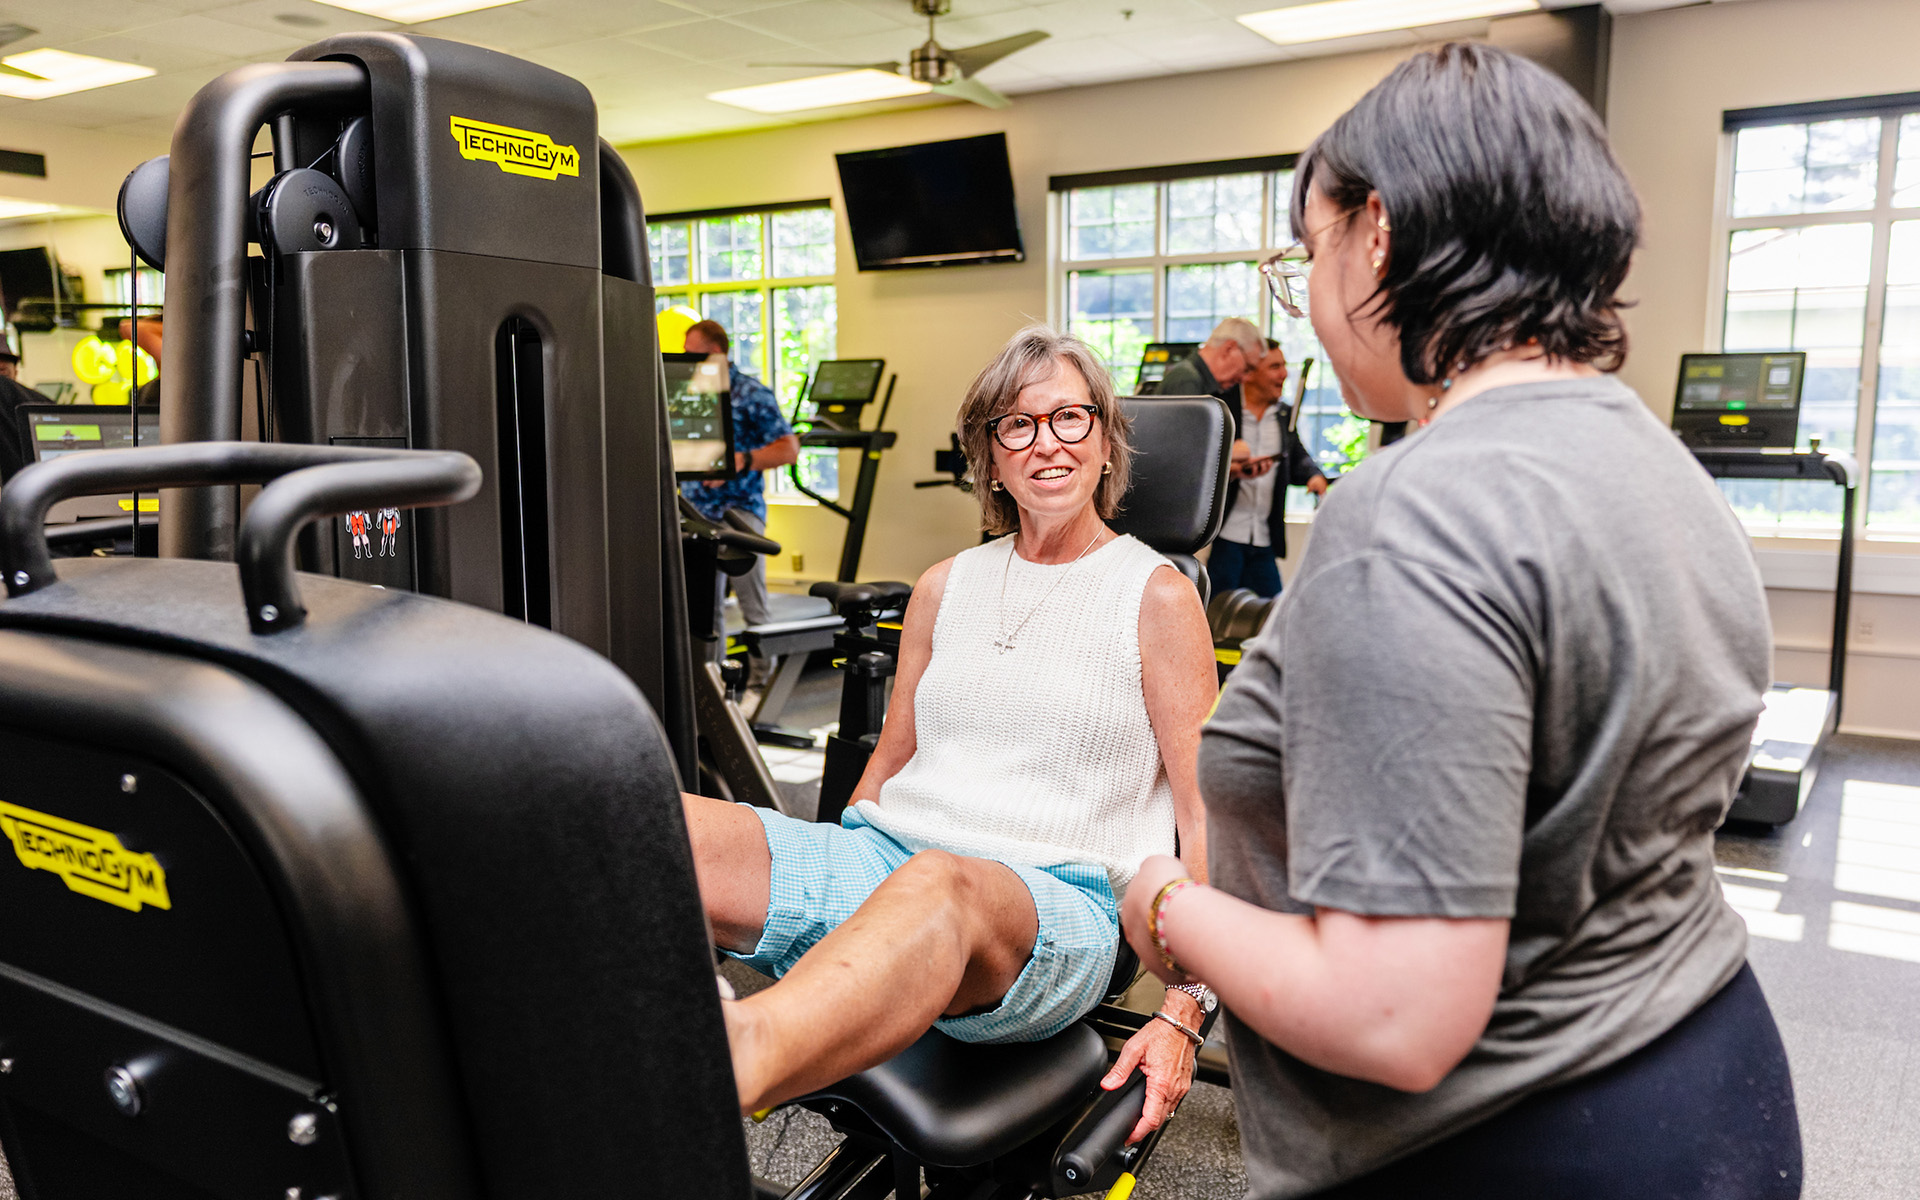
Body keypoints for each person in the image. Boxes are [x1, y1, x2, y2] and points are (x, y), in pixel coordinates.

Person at [1120, 43, 1801, 1199]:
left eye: (1311, 252)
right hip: (1702, 1073)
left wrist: (1166, 902)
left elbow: (1393, 1015)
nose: (1310, 301)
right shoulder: (1656, 465)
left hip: (1506, 1141)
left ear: (1377, 234)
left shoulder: (1416, 511)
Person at [685, 326, 1218, 1140]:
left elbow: (1209, 815)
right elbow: (891, 756)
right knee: (660, 825)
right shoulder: (943, 586)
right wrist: (838, 875)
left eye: (1070, 418)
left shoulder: (1156, 595)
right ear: (991, 458)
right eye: (1018, 424)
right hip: (893, 862)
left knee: (941, 882)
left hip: (1057, 906)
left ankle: (734, 1060)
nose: (1048, 442)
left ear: (1106, 442)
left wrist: (1185, 1011)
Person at [677, 319, 799, 686]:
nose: (686, 360)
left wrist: (741, 460)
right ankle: (711, 688)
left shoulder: (750, 393)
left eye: (693, 353)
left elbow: (788, 449)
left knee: (752, 604)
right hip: (696, 513)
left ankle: (762, 684)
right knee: (705, 610)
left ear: (716, 352)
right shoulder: (688, 392)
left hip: (739, 512)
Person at [1213, 339, 1327, 597]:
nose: (1284, 374)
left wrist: (1314, 475)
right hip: (1225, 537)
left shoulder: (1284, 416)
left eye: (1284, 366)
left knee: (1270, 611)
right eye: (1275, 367)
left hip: (1264, 538)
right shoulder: (1222, 409)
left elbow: (1298, 458)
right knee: (1217, 612)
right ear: (1249, 373)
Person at [1155, 317, 1263, 402]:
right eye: (1247, 368)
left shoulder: (1192, 378)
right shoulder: (1187, 381)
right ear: (1229, 349)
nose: (1245, 378)